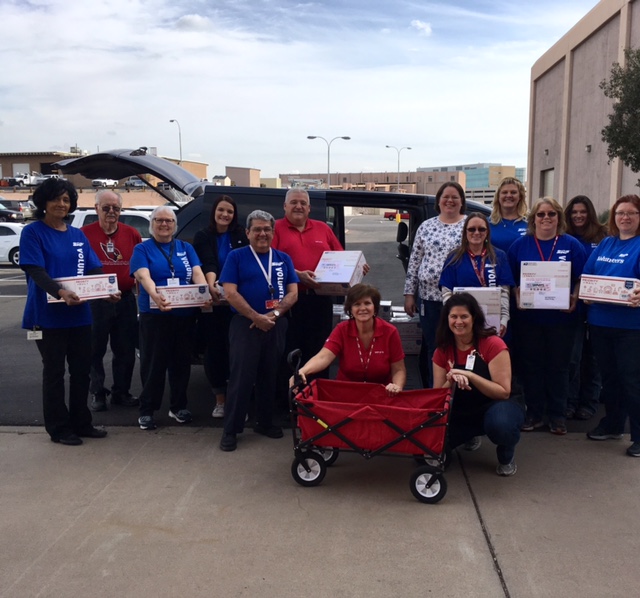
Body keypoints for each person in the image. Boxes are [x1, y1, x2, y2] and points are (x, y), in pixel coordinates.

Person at [19, 178, 111, 446]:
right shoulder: (33, 232)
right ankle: (59, 428)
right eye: (56, 199)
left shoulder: (77, 234)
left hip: (80, 314)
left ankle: (82, 423)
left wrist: (108, 288)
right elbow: (36, 270)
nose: (62, 204)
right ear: (43, 202)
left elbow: (93, 269)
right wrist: (60, 292)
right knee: (54, 373)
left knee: (82, 371)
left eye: (66, 199)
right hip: (47, 316)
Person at [219, 210, 299, 452]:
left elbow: (293, 292)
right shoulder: (237, 257)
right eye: (257, 229)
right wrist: (256, 317)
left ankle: (264, 422)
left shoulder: (283, 258)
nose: (262, 233)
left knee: (270, 374)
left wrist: (273, 315)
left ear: (273, 233)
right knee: (242, 377)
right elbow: (230, 292)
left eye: (266, 229)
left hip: (275, 323)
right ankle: (230, 430)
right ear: (247, 233)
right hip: (246, 324)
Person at [507, 197, 587, 435]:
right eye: (541, 214)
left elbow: (582, 277)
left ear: (559, 218)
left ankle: (558, 416)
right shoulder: (520, 246)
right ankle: (534, 414)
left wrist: (574, 296)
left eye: (551, 214)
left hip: (562, 320)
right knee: (532, 366)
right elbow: (511, 280)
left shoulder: (571, 245)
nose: (546, 218)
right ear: (533, 219)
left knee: (559, 367)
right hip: (529, 320)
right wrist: (518, 295)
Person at [130, 205, 209, 431]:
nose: (164, 224)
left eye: (169, 221)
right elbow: (143, 276)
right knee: (153, 365)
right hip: (155, 315)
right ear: (151, 224)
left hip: (184, 315)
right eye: (159, 220)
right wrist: (156, 295)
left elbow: (196, 273)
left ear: (175, 225)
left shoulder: (185, 247)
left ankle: (178, 406)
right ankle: (147, 410)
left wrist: (203, 291)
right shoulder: (142, 249)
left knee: (181, 364)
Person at [432, 293, 524, 476]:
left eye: (464, 316)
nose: (459, 321)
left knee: (501, 425)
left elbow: (503, 392)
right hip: (463, 408)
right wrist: (449, 380)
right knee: (424, 450)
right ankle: (469, 434)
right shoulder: (442, 351)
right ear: (447, 319)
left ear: (474, 318)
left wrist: (469, 375)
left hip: (497, 404)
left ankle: (506, 453)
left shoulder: (492, 344)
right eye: (454, 316)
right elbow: (437, 398)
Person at [583, 194, 640, 458]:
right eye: (620, 213)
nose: (625, 218)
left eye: (631, 213)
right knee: (610, 379)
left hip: (631, 327)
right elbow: (588, 276)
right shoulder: (606, 244)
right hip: (599, 323)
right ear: (614, 218)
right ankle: (614, 425)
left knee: (632, 380)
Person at [272, 188, 343, 379]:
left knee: (320, 349)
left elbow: (341, 257)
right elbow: (269, 261)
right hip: (290, 301)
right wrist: (297, 275)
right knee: (290, 350)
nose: (298, 206)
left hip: (320, 301)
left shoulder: (323, 228)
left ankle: (317, 397)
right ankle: (290, 399)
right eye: (294, 202)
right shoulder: (275, 228)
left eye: (303, 203)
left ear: (309, 208)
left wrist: (357, 266)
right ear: (285, 206)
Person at [82, 189, 142, 412]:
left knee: (125, 350)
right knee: (94, 350)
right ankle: (97, 393)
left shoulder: (132, 233)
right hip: (95, 302)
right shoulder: (84, 234)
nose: (111, 212)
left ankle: (121, 392)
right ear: (96, 208)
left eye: (115, 208)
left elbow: (138, 268)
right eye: (106, 207)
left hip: (125, 300)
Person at [404, 181, 467, 387]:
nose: (450, 200)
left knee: (461, 347)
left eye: (455, 197)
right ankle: (435, 393)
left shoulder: (470, 224)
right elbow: (415, 260)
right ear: (439, 201)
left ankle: (458, 394)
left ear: (461, 202)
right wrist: (409, 294)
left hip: (461, 300)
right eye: (445, 196)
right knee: (434, 347)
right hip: (429, 299)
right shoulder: (427, 226)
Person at [192, 195, 248, 419]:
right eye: (221, 210)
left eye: (230, 211)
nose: (225, 215)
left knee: (238, 354)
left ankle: (237, 401)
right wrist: (211, 285)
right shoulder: (203, 236)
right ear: (214, 212)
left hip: (238, 304)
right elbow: (208, 262)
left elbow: (244, 262)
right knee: (215, 353)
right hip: (214, 303)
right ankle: (220, 401)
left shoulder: (241, 234)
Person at [297, 284, 406, 394]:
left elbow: (399, 369)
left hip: (381, 394)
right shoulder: (341, 329)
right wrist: (303, 371)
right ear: (350, 309)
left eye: (367, 303)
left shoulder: (390, 331)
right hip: (346, 394)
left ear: (375, 307)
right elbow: (323, 357)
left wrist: (396, 386)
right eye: (357, 304)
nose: (363, 308)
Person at [563, 195, 607, 420]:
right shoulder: (564, 238)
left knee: (594, 357)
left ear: (590, 213)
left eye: (583, 212)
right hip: (572, 305)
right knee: (574, 357)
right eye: (574, 212)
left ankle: (589, 403)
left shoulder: (604, 237)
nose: (578, 216)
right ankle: (570, 401)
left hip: (600, 306)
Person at [439, 212, 514, 337]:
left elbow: (505, 292)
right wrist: (454, 318)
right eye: (472, 229)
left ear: (487, 232)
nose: (477, 232)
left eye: (482, 229)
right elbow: (447, 292)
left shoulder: (499, 256)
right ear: (465, 232)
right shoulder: (454, 258)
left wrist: (504, 319)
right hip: (463, 322)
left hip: (492, 321)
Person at [488, 177, 528, 252]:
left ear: (520, 197)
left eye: (513, 192)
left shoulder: (530, 223)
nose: (509, 195)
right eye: (504, 192)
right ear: (498, 197)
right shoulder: (488, 224)